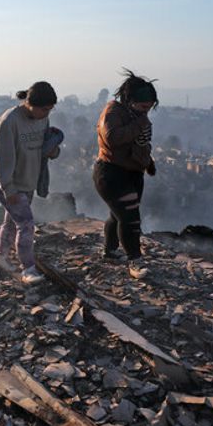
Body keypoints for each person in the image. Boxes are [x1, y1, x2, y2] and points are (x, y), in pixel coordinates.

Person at [0, 81, 59, 285]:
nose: (47, 113)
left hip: (28, 181)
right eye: (44, 109)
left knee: (11, 222)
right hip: (9, 183)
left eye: (50, 109)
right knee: (26, 225)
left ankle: (1, 257)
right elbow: (0, 159)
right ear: (30, 103)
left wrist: (54, 150)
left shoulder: (42, 120)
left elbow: (43, 149)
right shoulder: (9, 121)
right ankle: (28, 269)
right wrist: (8, 188)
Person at [94, 69, 158, 279]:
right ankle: (135, 261)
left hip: (133, 173)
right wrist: (139, 123)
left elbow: (140, 144)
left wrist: (148, 162)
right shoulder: (113, 112)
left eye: (149, 108)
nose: (145, 112)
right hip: (111, 174)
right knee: (130, 218)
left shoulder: (135, 115)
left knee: (118, 215)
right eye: (142, 107)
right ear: (130, 101)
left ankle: (110, 251)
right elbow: (112, 138)